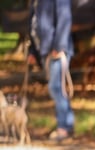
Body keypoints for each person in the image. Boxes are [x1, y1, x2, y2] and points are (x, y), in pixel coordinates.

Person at [29, 0, 75, 142]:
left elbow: (64, 18)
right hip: (45, 50)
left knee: (56, 88)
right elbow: (35, 25)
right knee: (55, 89)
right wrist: (32, 51)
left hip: (57, 50)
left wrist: (59, 46)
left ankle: (64, 127)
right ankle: (65, 125)